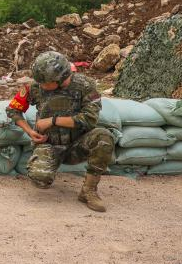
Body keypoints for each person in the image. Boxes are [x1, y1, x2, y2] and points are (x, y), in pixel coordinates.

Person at [7, 50, 114, 212]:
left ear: (60, 78)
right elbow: (13, 110)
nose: (41, 85)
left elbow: (89, 119)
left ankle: (89, 191)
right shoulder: (35, 86)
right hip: (49, 145)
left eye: (45, 82)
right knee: (40, 180)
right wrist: (30, 131)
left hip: (77, 145)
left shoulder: (85, 86)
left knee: (103, 136)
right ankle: (50, 167)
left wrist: (52, 121)